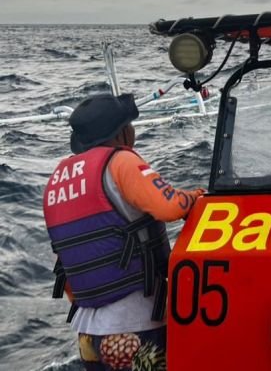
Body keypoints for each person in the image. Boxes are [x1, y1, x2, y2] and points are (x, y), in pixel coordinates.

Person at [43, 93, 205, 371]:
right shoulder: (120, 162)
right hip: (133, 325)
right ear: (121, 132)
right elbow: (170, 208)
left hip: (88, 333)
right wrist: (199, 198)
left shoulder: (57, 180)